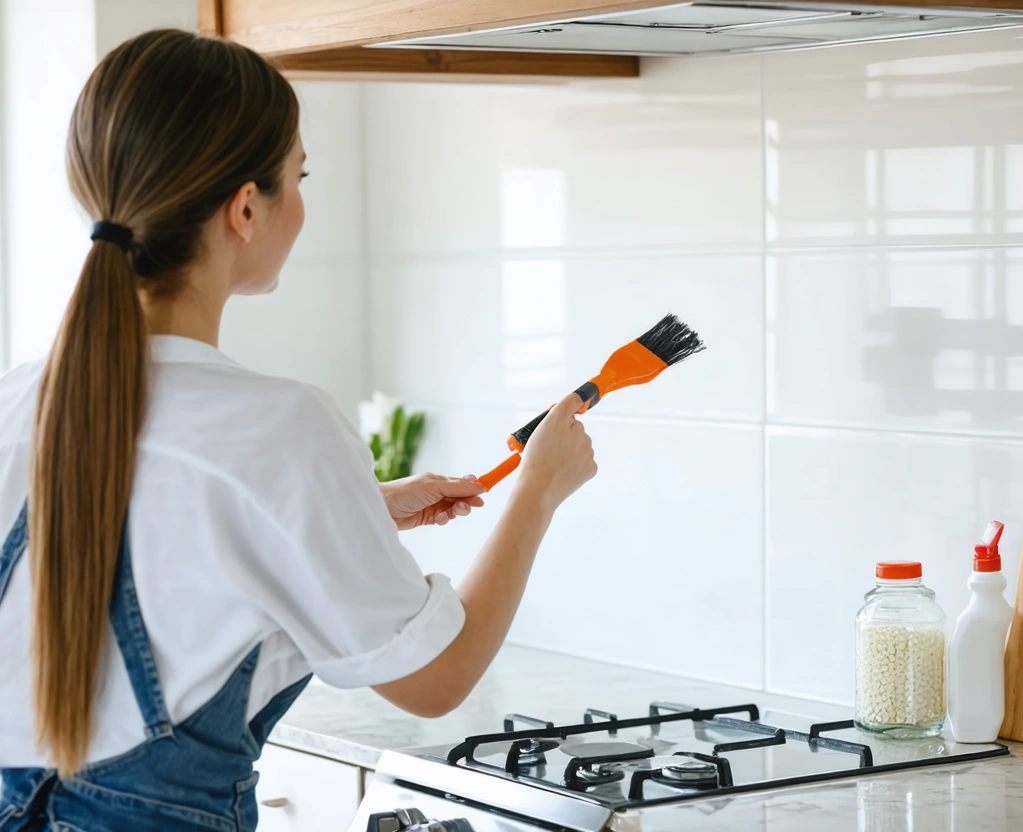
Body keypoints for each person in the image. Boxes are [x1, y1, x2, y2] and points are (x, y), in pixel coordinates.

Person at [0, 28, 596, 832]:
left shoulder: (17, 399)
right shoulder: (281, 426)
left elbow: (138, 525)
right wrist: (538, 491)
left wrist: (356, 507)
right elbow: (436, 680)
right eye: (298, 176)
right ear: (246, 208)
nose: (302, 200)